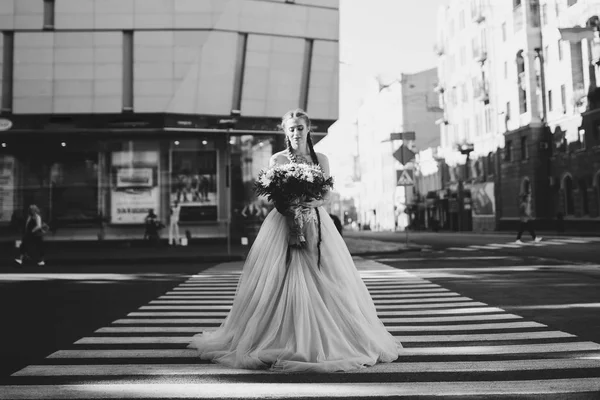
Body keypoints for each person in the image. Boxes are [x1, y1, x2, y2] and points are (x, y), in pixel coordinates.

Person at [188, 109, 402, 372]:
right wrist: (288, 209)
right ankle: (277, 336)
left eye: (300, 128)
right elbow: (270, 195)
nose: (295, 133)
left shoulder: (320, 158)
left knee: (325, 276)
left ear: (308, 129)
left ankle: (330, 337)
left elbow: (326, 195)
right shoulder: (278, 159)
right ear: (285, 131)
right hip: (282, 224)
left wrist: (309, 203)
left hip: (314, 222)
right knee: (279, 276)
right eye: (291, 128)